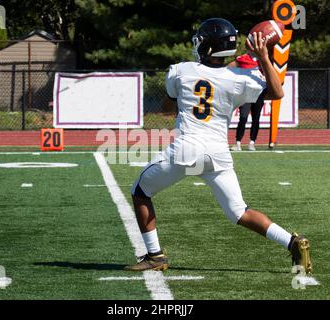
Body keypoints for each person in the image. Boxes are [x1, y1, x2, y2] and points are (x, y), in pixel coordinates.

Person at [125, 18, 312, 274]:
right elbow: (277, 93)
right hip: (218, 154)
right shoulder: (240, 78)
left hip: (187, 151)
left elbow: (167, 108)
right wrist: (265, 57)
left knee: (140, 191)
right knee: (239, 212)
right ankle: (292, 242)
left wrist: (179, 98)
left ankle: (155, 255)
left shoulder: (180, 70)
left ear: (207, 46)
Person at [229, 53, 265, 151]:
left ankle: (252, 142)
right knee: (243, 117)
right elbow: (228, 68)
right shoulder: (243, 57)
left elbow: (268, 72)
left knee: (256, 118)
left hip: (259, 92)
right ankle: (238, 143)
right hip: (246, 92)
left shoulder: (263, 57)